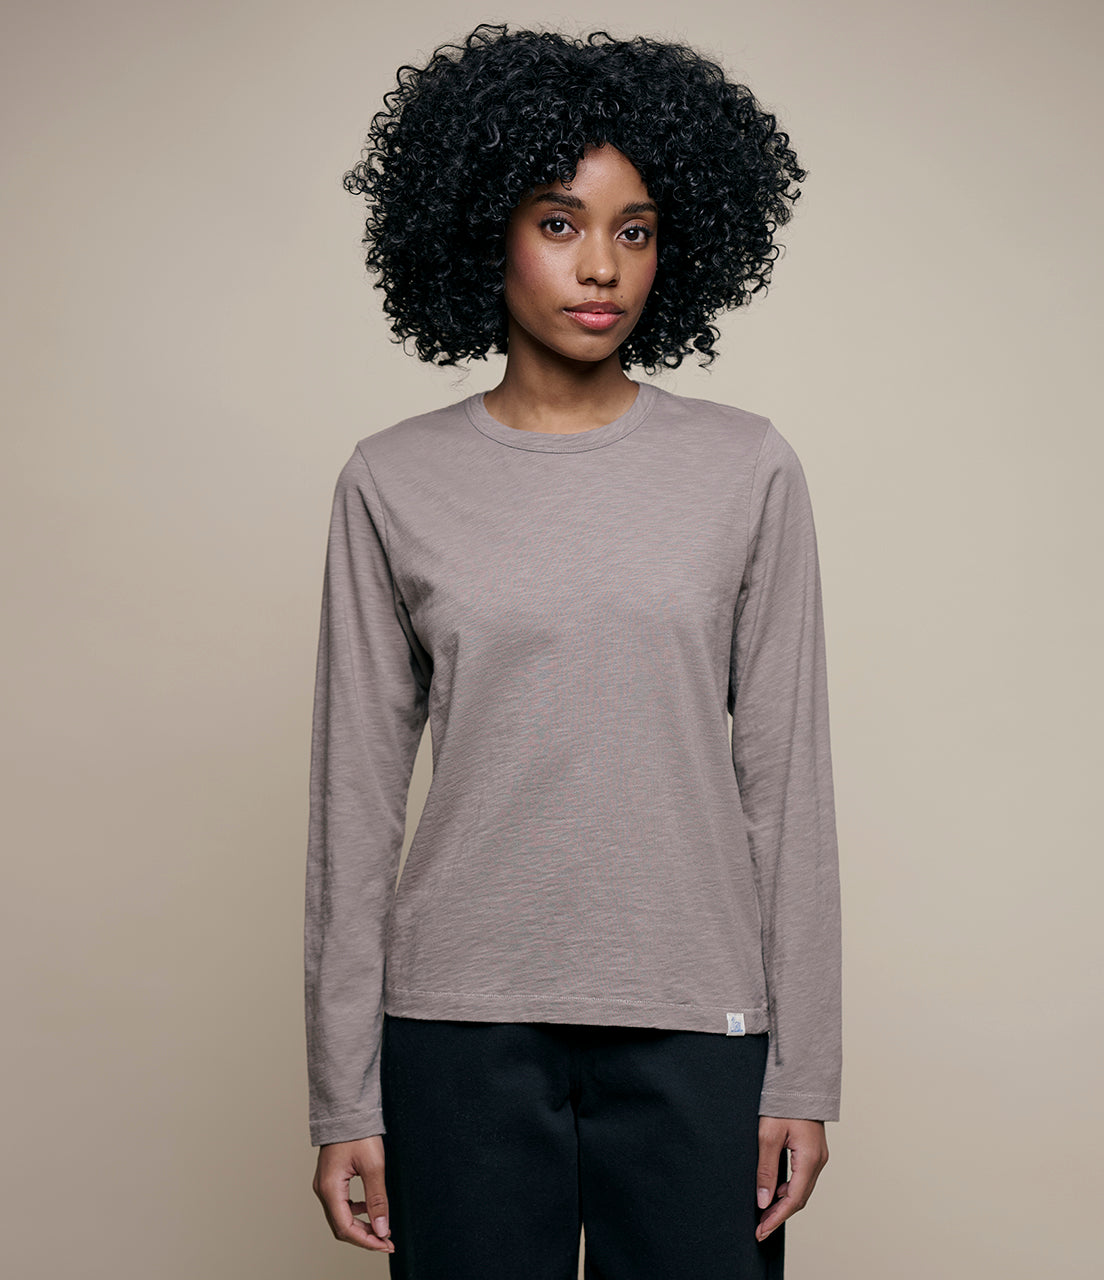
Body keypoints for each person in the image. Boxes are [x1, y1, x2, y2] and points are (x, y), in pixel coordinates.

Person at [304, 23, 842, 1279]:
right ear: (482, 227)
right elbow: (353, 808)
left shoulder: (744, 466)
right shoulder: (392, 481)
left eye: (635, 228)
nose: (600, 266)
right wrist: (346, 1096)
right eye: (559, 222)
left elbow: (787, 783)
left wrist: (803, 1068)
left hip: (700, 1029)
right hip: (456, 1032)